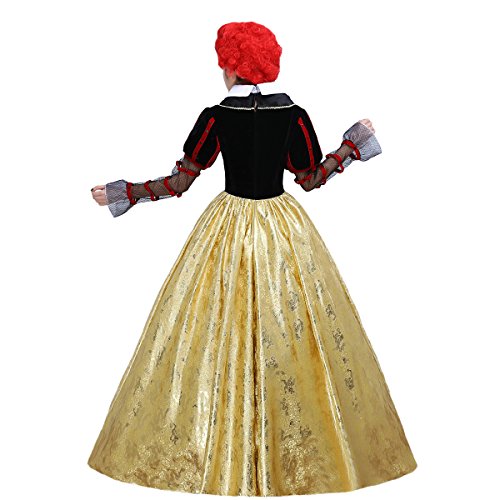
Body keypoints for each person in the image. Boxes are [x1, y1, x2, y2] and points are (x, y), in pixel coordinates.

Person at [87, 21, 417, 496]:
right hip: (283, 230)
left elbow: (179, 183)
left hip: (228, 228)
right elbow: (310, 178)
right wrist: (353, 146)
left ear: (229, 66)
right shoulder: (293, 115)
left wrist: (123, 193)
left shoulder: (216, 118)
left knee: (214, 329)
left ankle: (223, 447)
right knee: (292, 330)